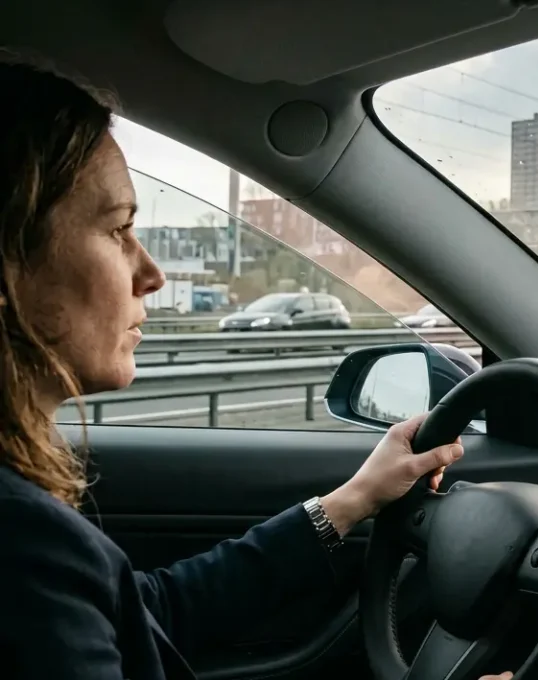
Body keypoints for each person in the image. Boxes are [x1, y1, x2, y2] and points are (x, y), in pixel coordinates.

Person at [0, 59, 512, 680]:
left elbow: (153, 610)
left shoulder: (29, 534)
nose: (151, 274)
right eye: (119, 229)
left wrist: (350, 502)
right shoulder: (22, 544)